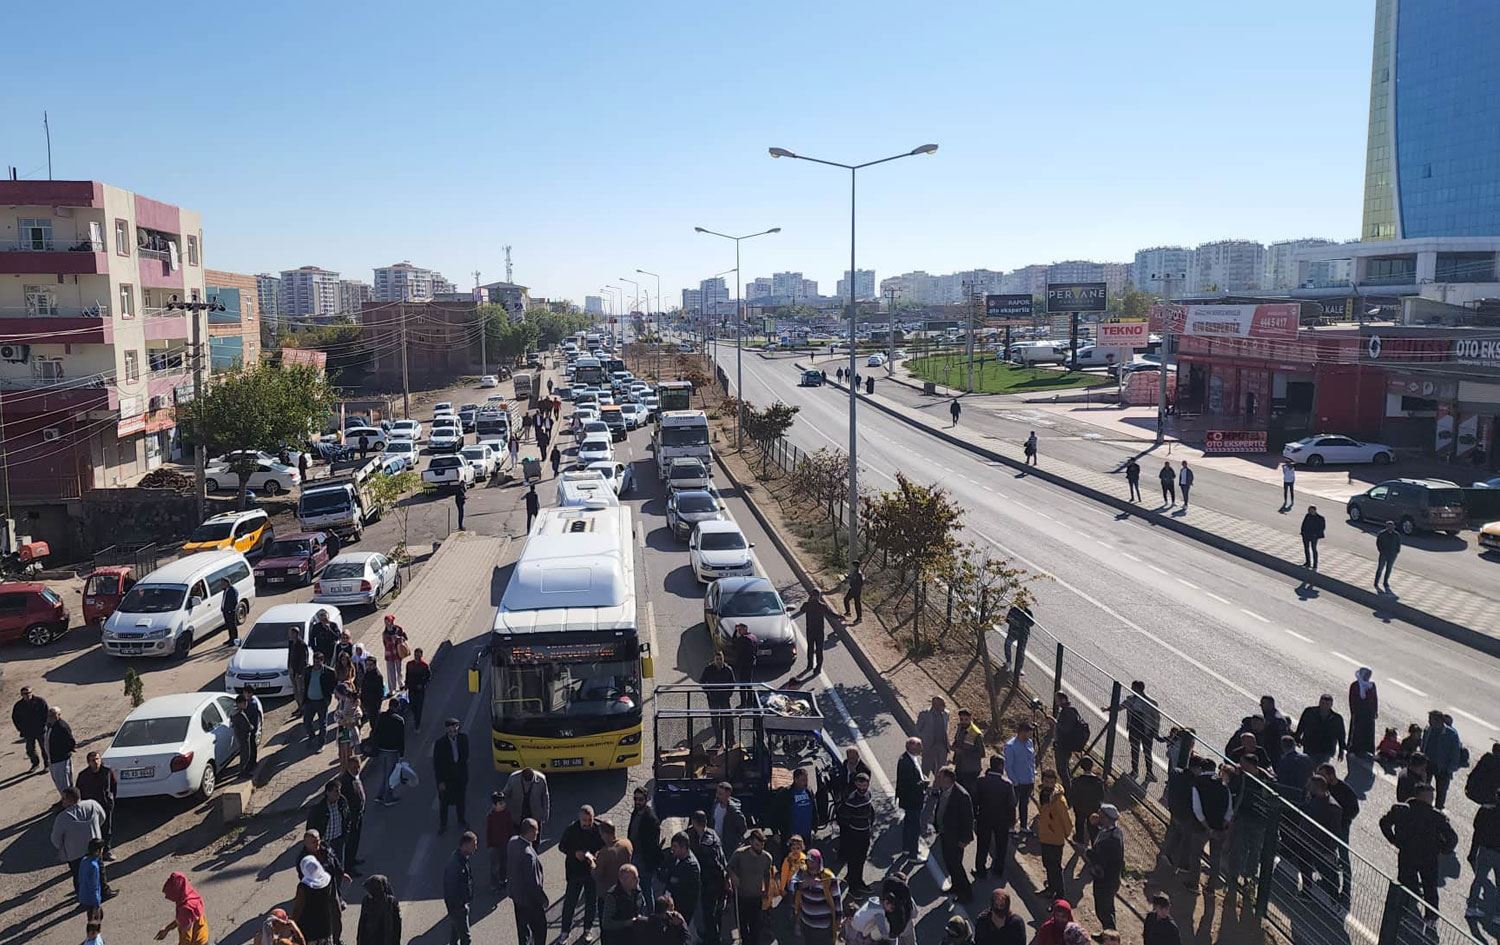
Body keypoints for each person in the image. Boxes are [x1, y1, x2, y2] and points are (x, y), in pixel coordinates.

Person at [1380, 782, 1457, 926]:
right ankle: (1431, 917)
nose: (1432, 799)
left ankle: (1402, 912)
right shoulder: (1436, 817)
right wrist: (1442, 849)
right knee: (1430, 887)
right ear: (1424, 797)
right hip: (1429, 857)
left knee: (1405, 883)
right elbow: (1452, 838)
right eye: (1431, 796)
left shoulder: (1401, 810)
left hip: (1407, 854)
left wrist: (1394, 840)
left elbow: (1384, 823)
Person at [52, 788, 110, 896]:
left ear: (70, 800)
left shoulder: (62, 818)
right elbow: (102, 817)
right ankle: (104, 891)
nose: (62, 801)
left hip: (75, 853)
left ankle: (83, 897)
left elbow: (56, 839)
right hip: (94, 846)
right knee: (99, 870)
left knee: (78, 876)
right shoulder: (92, 804)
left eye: (64, 798)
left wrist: (63, 847)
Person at [560, 805, 604, 942]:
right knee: (570, 903)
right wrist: (574, 853)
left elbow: (603, 846)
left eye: (589, 820)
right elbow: (562, 846)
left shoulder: (598, 829)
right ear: (579, 818)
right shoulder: (571, 829)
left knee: (591, 902)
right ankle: (565, 931)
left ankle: (587, 930)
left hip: (591, 872)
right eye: (584, 820)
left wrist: (595, 855)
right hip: (575, 872)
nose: (586, 823)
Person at [933, 766, 976, 901]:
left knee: (956, 865)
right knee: (949, 863)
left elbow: (968, 819)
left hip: (956, 837)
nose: (937, 779)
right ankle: (956, 887)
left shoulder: (961, 795)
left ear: (947, 779)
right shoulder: (944, 790)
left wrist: (965, 839)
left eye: (940, 777)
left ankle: (966, 894)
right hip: (945, 834)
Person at [726, 830, 775, 945]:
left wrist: (766, 891)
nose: (760, 848)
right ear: (751, 842)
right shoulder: (739, 854)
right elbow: (728, 867)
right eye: (757, 845)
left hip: (756, 896)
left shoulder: (767, 858)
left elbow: (767, 874)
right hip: (741, 896)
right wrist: (732, 876)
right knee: (742, 925)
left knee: (756, 927)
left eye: (762, 845)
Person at [974, 755, 1017, 880]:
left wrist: (975, 815)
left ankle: (980, 870)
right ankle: (998, 870)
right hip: (1002, 820)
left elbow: (975, 799)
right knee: (1001, 845)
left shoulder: (981, 781)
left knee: (982, 845)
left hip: (984, 817)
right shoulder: (1007, 784)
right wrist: (1011, 822)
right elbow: (1012, 804)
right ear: (1000, 766)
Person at [687, 810, 728, 945]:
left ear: (694, 822)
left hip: (710, 884)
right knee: (711, 914)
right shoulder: (711, 834)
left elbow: (714, 865)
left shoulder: (707, 843)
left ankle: (713, 939)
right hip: (713, 883)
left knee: (709, 913)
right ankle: (712, 936)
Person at [1083, 805, 1124, 931]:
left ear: (1107, 818)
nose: (1098, 817)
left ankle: (1110, 937)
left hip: (1106, 880)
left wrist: (1088, 852)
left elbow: (1101, 860)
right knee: (1107, 909)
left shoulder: (1112, 840)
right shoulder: (1110, 831)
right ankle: (1108, 934)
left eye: (1101, 815)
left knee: (1103, 911)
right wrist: (1091, 823)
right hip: (1106, 879)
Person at [790, 849, 842, 945]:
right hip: (806, 923)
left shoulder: (828, 877)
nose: (810, 864)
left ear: (819, 862)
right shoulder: (802, 872)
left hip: (823, 925)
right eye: (808, 861)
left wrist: (838, 919)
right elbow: (792, 886)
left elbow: (837, 899)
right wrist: (805, 883)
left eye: (813, 862)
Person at [508, 819, 548, 945]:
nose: (537, 834)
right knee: (540, 930)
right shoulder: (528, 855)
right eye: (536, 831)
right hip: (530, 902)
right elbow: (533, 883)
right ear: (529, 832)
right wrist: (542, 899)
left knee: (523, 930)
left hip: (517, 897)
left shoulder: (512, 842)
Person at [1035, 769, 1072, 899]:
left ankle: (1059, 896)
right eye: (1046, 781)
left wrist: (1066, 833)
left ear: (1055, 782)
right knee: (1048, 865)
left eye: (1051, 782)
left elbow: (1066, 820)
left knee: (1055, 868)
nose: (1049, 784)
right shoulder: (1043, 794)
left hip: (1055, 839)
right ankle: (1051, 889)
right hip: (1045, 836)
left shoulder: (1059, 800)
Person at [836, 771, 875, 893]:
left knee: (861, 859)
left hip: (865, 832)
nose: (862, 788)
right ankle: (853, 888)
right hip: (855, 835)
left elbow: (871, 810)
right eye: (860, 785)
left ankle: (858, 881)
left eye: (865, 785)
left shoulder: (868, 795)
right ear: (856, 784)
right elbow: (844, 819)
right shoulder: (851, 800)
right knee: (854, 861)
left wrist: (870, 824)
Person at [1114, 680, 1160, 782]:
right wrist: (1109, 708)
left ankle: (1149, 773)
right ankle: (1134, 770)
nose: (1132, 690)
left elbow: (1156, 718)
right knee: (1134, 749)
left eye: (1134, 688)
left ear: (1139, 689)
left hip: (1146, 729)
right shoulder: (1131, 700)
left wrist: (1155, 731)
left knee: (1147, 752)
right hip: (1134, 727)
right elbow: (1120, 707)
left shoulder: (1151, 702)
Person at [75, 751, 118, 861]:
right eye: (93, 760)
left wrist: (111, 799)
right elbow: (79, 791)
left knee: (107, 829)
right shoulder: (83, 775)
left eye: (97, 759)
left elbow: (113, 785)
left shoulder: (107, 771)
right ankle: (94, 852)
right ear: (88, 762)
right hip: (91, 808)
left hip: (105, 805)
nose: (96, 762)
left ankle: (106, 851)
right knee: (93, 830)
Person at [306, 780, 352, 878]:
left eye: (339, 791)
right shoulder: (319, 809)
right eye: (336, 791)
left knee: (339, 867)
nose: (338, 794)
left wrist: (345, 836)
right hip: (324, 843)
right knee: (325, 869)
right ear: (328, 792)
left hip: (338, 841)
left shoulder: (342, 802)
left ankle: (337, 888)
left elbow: (347, 819)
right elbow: (311, 827)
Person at [433, 717, 470, 833]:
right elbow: (437, 764)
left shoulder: (463, 739)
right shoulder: (440, 743)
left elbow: (465, 756)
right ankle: (443, 825)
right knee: (444, 803)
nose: (453, 732)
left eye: (455, 729)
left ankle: (461, 820)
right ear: (447, 730)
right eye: (450, 730)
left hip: (460, 777)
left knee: (461, 801)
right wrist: (440, 782)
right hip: (447, 778)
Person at [1423, 709, 1465, 809]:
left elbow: (1455, 753)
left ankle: (1438, 810)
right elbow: (1424, 743)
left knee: (1441, 792)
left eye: (1431, 720)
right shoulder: (1428, 729)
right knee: (1424, 788)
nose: (1429, 722)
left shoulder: (1451, 735)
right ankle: (1424, 807)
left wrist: (1450, 769)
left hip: (1443, 768)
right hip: (1427, 764)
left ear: (1439, 721)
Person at [601, 863, 651, 945]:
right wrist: (629, 922)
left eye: (637, 877)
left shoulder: (637, 890)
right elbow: (606, 924)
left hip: (635, 935)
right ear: (622, 880)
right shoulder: (613, 896)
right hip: (617, 938)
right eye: (634, 878)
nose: (637, 880)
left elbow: (642, 906)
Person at [896, 737, 929, 859]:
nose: (922, 748)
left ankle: (906, 848)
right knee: (914, 827)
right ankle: (913, 854)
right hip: (912, 800)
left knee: (908, 825)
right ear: (911, 747)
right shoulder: (906, 762)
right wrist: (924, 783)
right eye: (919, 746)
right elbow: (909, 784)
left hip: (910, 800)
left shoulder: (910, 758)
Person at [442, 832, 476, 945]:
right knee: (466, 939)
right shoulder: (455, 864)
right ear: (465, 845)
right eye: (473, 845)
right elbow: (451, 889)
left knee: (455, 934)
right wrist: (461, 906)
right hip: (457, 907)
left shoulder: (461, 859)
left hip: (458, 906)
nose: (475, 848)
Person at [628, 787, 663, 898]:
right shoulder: (636, 812)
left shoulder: (651, 819)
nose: (637, 802)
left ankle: (650, 912)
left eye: (640, 799)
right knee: (632, 887)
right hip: (634, 855)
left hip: (644, 860)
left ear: (646, 799)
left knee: (646, 888)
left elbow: (653, 845)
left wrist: (648, 863)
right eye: (635, 799)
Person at [157, 871, 209, 945]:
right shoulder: (192, 897)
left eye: (170, 894)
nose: (166, 897)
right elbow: (184, 919)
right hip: (202, 936)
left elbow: (186, 939)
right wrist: (167, 928)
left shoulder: (185, 908)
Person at [791, 590, 835, 677]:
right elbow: (831, 614)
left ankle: (810, 665)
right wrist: (840, 616)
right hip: (819, 631)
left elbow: (802, 609)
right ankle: (818, 667)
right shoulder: (822, 606)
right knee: (819, 650)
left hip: (810, 631)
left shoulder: (807, 605)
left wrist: (809, 601)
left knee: (810, 649)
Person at [1295, 694, 1347, 767]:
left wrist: (1341, 750)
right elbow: (1301, 725)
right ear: (1319, 702)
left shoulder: (1336, 718)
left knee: (1321, 769)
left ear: (1331, 705)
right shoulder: (1310, 712)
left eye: (1327, 704)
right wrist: (1297, 737)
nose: (1324, 706)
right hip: (1310, 746)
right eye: (1322, 703)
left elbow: (1341, 735)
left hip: (1326, 749)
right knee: (1308, 768)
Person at [699, 650, 738, 747]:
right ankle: (719, 741)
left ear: (723, 659)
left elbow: (732, 683)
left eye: (721, 659)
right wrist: (708, 692)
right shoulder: (709, 669)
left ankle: (731, 739)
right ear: (714, 660)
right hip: (713, 698)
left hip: (724, 698)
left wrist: (728, 694)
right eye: (717, 659)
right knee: (715, 720)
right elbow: (702, 681)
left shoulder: (728, 669)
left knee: (728, 719)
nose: (719, 661)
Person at [1003, 721, 1037, 833]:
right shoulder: (1011, 746)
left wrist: (1033, 775)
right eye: (1028, 732)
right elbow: (1008, 766)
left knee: (1024, 804)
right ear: (1022, 732)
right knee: (1013, 804)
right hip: (1017, 781)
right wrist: (1015, 781)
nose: (1030, 735)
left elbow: (1031, 760)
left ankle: (1023, 825)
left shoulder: (1029, 743)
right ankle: (1010, 826)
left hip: (1028, 779)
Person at [663, 832, 703, 927]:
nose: (672, 849)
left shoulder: (691, 866)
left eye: (675, 846)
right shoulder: (676, 857)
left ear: (684, 847)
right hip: (672, 903)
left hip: (683, 907)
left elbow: (679, 886)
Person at [372, 697, 406, 806]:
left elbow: (376, 732)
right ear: (397, 707)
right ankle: (387, 797)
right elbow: (401, 738)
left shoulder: (381, 716)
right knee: (391, 775)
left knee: (384, 773)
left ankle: (380, 795)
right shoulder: (399, 720)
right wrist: (401, 753)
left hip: (382, 749)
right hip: (393, 751)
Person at [594, 819, 634, 907]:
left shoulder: (604, 853)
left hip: (608, 894)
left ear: (604, 834)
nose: (601, 837)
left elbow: (597, 875)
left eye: (601, 834)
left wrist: (592, 864)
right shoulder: (627, 843)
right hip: (625, 890)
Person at [1052, 693, 1087, 790]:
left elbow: (1065, 729)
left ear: (1063, 700)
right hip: (1065, 745)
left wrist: (1055, 722)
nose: (1056, 702)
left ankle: (1069, 790)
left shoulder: (1067, 712)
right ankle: (1069, 787)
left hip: (1064, 745)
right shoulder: (1069, 711)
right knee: (1064, 768)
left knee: (1062, 769)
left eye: (1057, 700)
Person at [303, 652, 337, 750]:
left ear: (323, 661)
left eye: (319, 661)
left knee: (322, 723)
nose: (316, 663)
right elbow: (305, 685)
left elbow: (333, 685)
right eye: (315, 661)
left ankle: (321, 743)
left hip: (322, 702)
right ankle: (312, 737)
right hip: (309, 701)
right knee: (307, 722)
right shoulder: (308, 671)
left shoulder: (328, 672)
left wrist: (328, 696)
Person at [355, 875, 401, 945]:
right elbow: (362, 924)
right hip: (369, 939)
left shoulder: (391, 902)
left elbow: (397, 925)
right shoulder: (366, 901)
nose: (369, 894)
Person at [13, 686, 49, 772]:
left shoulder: (40, 701)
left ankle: (47, 764)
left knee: (44, 747)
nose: (28, 695)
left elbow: (46, 714)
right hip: (28, 732)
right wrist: (20, 729)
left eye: (29, 693)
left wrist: (44, 725)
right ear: (22, 695)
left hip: (40, 730)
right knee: (30, 749)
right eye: (25, 693)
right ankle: (35, 764)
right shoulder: (19, 705)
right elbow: (15, 718)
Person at [1070, 756, 1105, 844]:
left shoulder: (1077, 781)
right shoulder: (1098, 781)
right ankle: (1095, 844)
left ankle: (1079, 839)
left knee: (1079, 823)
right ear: (1092, 766)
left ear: (1081, 767)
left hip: (1080, 807)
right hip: (1093, 808)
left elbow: (1073, 794)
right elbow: (1101, 796)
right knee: (1093, 827)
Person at [45, 706, 77, 801]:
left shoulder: (62, 726)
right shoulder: (51, 725)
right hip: (53, 759)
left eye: (53, 715)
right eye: (49, 715)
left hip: (61, 760)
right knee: (58, 781)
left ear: (59, 715)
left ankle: (69, 801)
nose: (50, 717)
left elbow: (71, 742)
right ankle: (64, 799)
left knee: (64, 782)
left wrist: (64, 752)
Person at [915, 696, 951, 776]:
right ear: (935, 705)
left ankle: (937, 787)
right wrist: (923, 741)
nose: (944, 707)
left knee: (941, 770)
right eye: (942, 705)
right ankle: (923, 784)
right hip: (929, 746)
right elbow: (918, 729)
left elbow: (946, 728)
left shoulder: (946, 714)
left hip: (942, 746)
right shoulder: (925, 714)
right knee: (926, 767)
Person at [952, 708, 985, 794]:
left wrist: (963, 752)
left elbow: (981, 753)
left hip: (971, 770)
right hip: (960, 766)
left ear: (971, 718)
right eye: (961, 719)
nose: (963, 722)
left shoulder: (975, 733)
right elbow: (957, 741)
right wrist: (954, 746)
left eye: (966, 719)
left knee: (968, 793)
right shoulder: (960, 728)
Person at [710, 781, 747, 857]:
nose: (717, 795)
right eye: (717, 792)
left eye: (720, 794)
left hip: (729, 847)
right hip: (717, 844)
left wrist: (732, 839)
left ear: (728, 794)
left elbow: (743, 828)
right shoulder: (716, 804)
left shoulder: (733, 811)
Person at [1347, 668, 1378, 757]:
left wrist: (1375, 710)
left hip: (1369, 712)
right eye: (1366, 674)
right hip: (1359, 712)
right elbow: (1352, 698)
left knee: (1369, 730)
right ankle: (1353, 749)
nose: (1367, 677)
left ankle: (1368, 749)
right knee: (1356, 731)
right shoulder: (1355, 685)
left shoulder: (1371, 685)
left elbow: (1375, 698)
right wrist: (1353, 711)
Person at [730, 622, 759, 709]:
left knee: (743, 684)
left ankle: (743, 703)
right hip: (751, 662)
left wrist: (735, 632)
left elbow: (734, 642)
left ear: (744, 629)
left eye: (740, 630)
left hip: (744, 663)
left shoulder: (744, 639)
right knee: (749, 683)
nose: (739, 631)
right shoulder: (753, 637)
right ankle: (749, 701)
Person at [230, 693, 258, 780]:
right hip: (244, 737)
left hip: (240, 736)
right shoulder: (240, 715)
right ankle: (243, 773)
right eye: (244, 703)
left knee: (244, 754)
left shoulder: (235, 712)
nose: (246, 704)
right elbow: (247, 726)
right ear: (239, 703)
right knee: (245, 755)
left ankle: (244, 772)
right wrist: (251, 727)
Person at [77, 837, 104, 921]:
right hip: (92, 899)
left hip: (83, 895)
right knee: (95, 919)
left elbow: (80, 877)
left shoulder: (84, 860)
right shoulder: (94, 866)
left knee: (90, 917)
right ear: (97, 851)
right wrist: (97, 903)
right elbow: (94, 886)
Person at [405, 647, 432, 732]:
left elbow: (428, 677)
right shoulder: (409, 664)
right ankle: (415, 716)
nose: (417, 657)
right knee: (413, 706)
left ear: (421, 656)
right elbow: (407, 675)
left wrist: (423, 684)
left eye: (418, 655)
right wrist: (406, 684)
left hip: (420, 690)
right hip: (411, 688)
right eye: (415, 655)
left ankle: (417, 725)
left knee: (419, 708)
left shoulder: (424, 665)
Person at [380, 616, 407, 690]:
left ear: (392, 621)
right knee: (391, 672)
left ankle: (401, 684)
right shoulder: (384, 633)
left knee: (399, 670)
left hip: (398, 652)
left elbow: (405, 637)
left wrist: (399, 638)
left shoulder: (398, 629)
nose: (387, 623)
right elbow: (385, 643)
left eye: (388, 621)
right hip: (389, 654)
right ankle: (392, 689)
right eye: (385, 622)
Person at [1374, 521, 1400, 592]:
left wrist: (1396, 552)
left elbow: (1398, 544)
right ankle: (1376, 583)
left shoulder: (1396, 535)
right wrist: (1381, 551)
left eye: (1392, 527)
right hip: (1383, 554)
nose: (1390, 528)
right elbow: (1378, 543)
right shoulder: (1382, 534)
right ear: (1386, 527)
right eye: (1389, 526)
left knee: (1389, 569)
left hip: (1392, 555)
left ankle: (1385, 582)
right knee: (1380, 569)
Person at [1299, 505, 1326, 571]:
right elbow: (1303, 524)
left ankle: (1315, 565)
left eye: (1311, 510)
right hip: (1306, 535)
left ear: (1315, 510)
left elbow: (1322, 528)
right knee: (1306, 549)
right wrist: (1302, 532)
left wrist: (1316, 534)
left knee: (1314, 549)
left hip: (1314, 536)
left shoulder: (1320, 518)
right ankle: (1308, 563)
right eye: (1309, 510)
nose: (1309, 511)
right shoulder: (1307, 516)